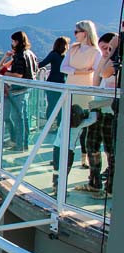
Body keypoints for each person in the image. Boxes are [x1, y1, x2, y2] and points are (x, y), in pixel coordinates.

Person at [61, 20, 101, 175]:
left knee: (77, 130)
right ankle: (64, 170)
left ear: (85, 32)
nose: (75, 34)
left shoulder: (95, 52)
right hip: (71, 93)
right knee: (71, 132)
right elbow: (62, 68)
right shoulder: (73, 49)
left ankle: (66, 171)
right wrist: (82, 72)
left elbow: (96, 72)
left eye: (77, 31)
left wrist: (74, 70)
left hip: (84, 95)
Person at [89, 32, 119, 198]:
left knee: (110, 151)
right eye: (102, 49)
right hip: (99, 110)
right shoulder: (106, 61)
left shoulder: (115, 63)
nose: (105, 52)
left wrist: (113, 51)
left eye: (107, 48)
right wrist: (104, 57)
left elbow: (105, 74)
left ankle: (110, 189)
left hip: (109, 112)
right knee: (92, 145)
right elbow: (96, 80)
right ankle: (95, 183)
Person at [1, 31, 38, 151]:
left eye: (13, 41)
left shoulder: (20, 55)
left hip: (18, 89)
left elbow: (18, 74)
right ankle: (24, 143)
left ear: (17, 41)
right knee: (24, 117)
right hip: (27, 88)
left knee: (17, 117)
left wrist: (4, 73)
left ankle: (19, 145)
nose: (12, 43)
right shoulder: (30, 53)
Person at [39, 37, 70, 127]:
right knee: (61, 107)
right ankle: (59, 127)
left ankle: (49, 126)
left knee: (51, 105)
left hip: (52, 84)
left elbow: (42, 64)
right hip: (62, 84)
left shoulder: (53, 54)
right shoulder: (65, 57)